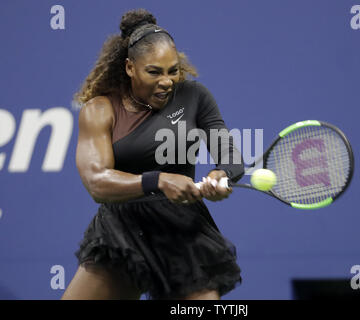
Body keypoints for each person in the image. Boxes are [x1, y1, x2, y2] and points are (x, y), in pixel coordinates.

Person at [62, 8, 244, 300]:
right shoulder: (100, 110)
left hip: (183, 232)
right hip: (122, 233)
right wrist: (158, 180)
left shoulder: (196, 97)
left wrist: (220, 175)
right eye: (154, 72)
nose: (167, 81)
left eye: (173, 70)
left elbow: (230, 156)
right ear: (130, 67)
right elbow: (97, 182)